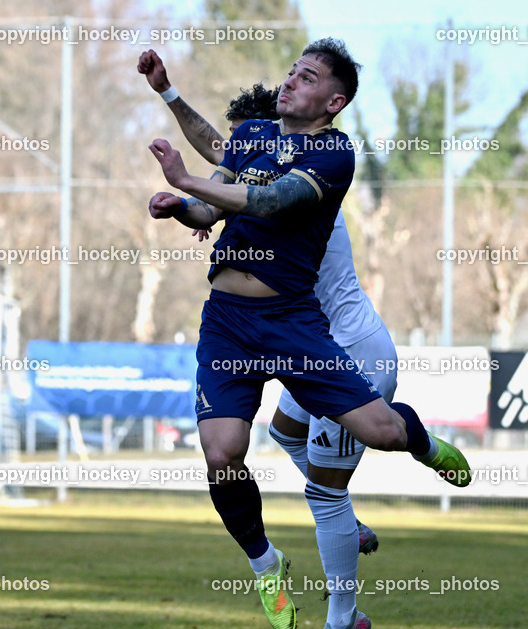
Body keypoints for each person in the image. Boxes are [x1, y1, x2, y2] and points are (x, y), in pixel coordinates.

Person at [145, 38, 471, 629]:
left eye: (308, 76)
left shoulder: (333, 154)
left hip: (300, 325)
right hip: (228, 324)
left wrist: (185, 181)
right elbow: (217, 177)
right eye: (292, 71)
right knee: (223, 453)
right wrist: (180, 191)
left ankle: (420, 443)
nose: (291, 80)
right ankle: (266, 564)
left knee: (376, 437)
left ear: (334, 102)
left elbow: (268, 200)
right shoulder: (257, 136)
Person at [137, 50, 389, 558]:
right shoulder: (259, 157)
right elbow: (224, 168)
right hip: (254, 326)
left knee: (339, 477)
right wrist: (168, 96)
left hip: (335, 336)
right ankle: (293, 548)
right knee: (278, 436)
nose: (238, 152)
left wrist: (194, 191)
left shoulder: (308, 180)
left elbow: (250, 188)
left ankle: (344, 572)